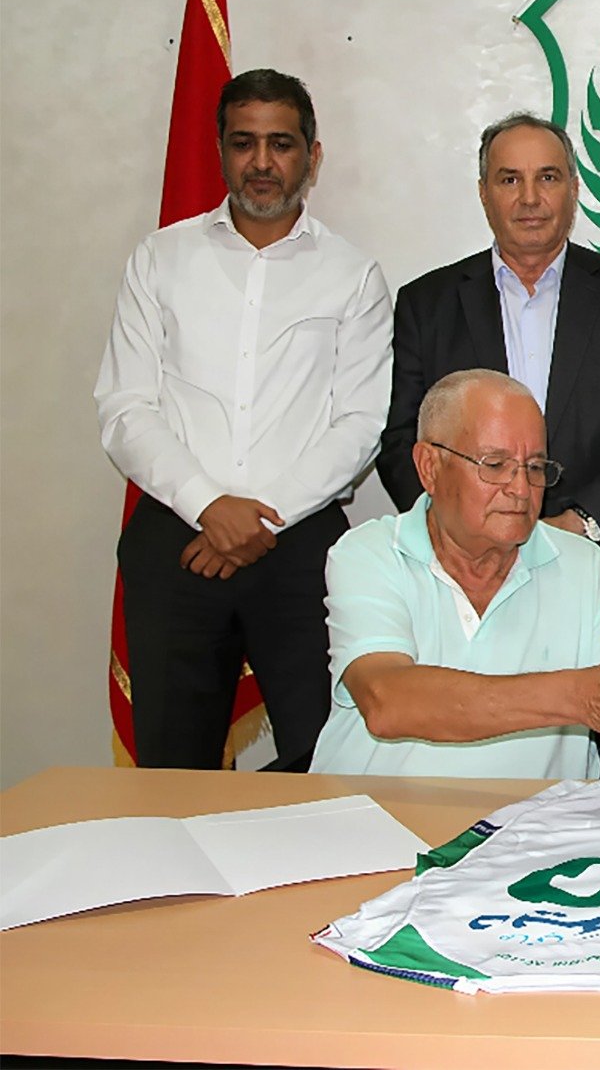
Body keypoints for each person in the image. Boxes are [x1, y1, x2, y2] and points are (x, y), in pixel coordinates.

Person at [95, 69, 393, 771]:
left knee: (324, 762)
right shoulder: (160, 260)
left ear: (312, 156)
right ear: (221, 151)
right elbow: (125, 407)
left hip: (301, 548)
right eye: (244, 142)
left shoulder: (352, 275)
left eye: (281, 144)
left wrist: (260, 519)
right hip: (178, 543)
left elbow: (360, 423)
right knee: (173, 770)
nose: (262, 162)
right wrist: (209, 506)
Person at [311, 370, 600, 777]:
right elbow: (387, 701)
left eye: (535, 468)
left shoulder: (589, 569)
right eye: (495, 465)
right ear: (429, 466)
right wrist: (579, 696)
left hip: (529, 819)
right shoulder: (371, 553)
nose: (521, 489)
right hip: (373, 811)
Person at [377, 113, 600, 657]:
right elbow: (404, 441)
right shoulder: (428, 304)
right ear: (483, 193)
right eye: (509, 179)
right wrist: (464, 531)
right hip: (460, 571)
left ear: (574, 189)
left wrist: (577, 526)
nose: (530, 198)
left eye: (547, 177)